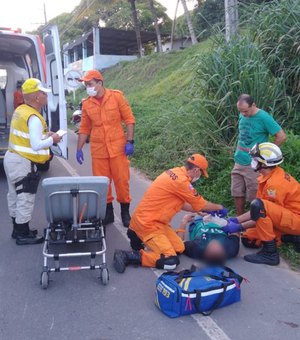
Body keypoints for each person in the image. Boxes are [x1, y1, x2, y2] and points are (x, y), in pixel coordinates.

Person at [113, 154, 228, 273]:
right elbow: (202, 203)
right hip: (148, 224)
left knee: (179, 248)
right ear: (196, 170)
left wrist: (198, 210)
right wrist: (219, 207)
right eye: (201, 174)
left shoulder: (175, 172)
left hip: (155, 221)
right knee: (171, 261)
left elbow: (181, 203)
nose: (200, 177)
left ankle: (135, 233)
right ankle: (128, 256)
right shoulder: (182, 182)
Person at [4, 78, 61, 245]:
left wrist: (45, 135)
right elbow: (36, 145)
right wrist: (53, 139)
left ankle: (18, 229)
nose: (46, 96)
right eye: (44, 93)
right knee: (25, 197)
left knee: (14, 194)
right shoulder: (34, 118)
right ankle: (23, 235)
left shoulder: (21, 110)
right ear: (37, 97)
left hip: (12, 158)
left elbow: (28, 137)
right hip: (23, 162)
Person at [223, 142, 300, 266]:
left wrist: (239, 225)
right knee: (249, 239)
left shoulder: (275, 185)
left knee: (259, 208)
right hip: (286, 217)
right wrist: (236, 221)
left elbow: (261, 211)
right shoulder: (268, 176)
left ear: (264, 163)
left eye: (255, 159)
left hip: (295, 220)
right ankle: (288, 237)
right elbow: (260, 211)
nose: (252, 161)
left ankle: (270, 254)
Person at [76, 69, 136, 228]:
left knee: (122, 182)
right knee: (102, 184)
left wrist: (130, 141)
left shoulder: (116, 97)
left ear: (99, 83)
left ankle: (125, 213)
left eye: (90, 84)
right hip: (98, 150)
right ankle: (108, 213)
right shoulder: (87, 104)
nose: (87, 87)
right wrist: (79, 148)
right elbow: (84, 128)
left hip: (118, 148)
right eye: (86, 85)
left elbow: (129, 119)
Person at [231, 94, 286, 216]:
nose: (243, 114)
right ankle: (239, 220)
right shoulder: (243, 113)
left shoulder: (263, 117)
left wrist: (267, 155)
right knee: (237, 191)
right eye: (240, 111)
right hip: (239, 159)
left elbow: (281, 136)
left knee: (254, 195)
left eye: (245, 111)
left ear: (253, 105)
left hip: (254, 163)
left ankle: (254, 224)